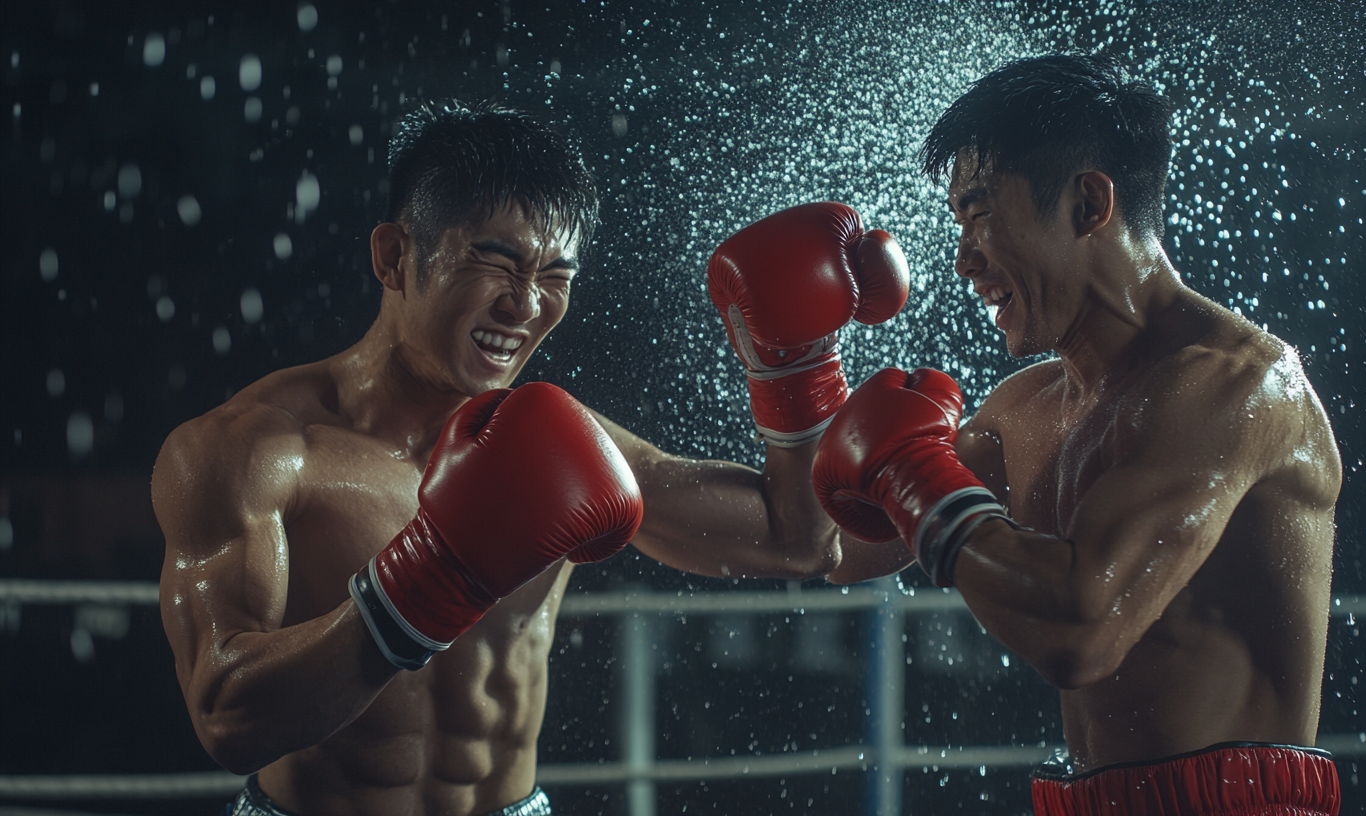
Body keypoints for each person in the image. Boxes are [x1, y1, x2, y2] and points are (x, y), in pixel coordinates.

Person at [152, 101, 908, 816]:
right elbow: (226, 719)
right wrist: (428, 580)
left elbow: (801, 540)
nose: (526, 305)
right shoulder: (251, 451)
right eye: (497, 262)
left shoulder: (559, 439)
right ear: (393, 255)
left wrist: (794, 371)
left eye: (555, 277)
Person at [811, 54, 1342, 815]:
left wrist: (912, 472)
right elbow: (835, 546)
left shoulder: (1236, 385)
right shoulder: (1026, 407)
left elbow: (1080, 628)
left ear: (1090, 202)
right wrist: (796, 377)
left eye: (981, 212)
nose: (964, 260)